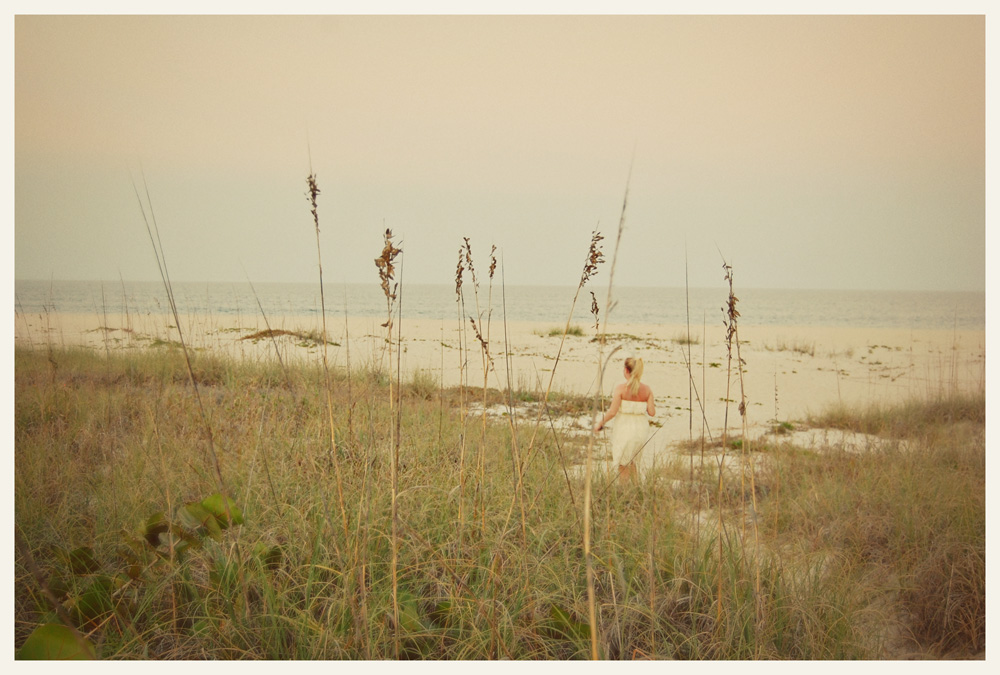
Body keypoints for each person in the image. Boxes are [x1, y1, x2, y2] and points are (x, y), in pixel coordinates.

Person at [593, 357, 655, 481]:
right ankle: (636, 490)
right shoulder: (647, 389)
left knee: (622, 462)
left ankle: (625, 493)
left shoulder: (621, 389)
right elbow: (652, 412)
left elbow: (612, 412)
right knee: (633, 461)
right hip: (641, 429)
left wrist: (600, 423)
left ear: (626, 370)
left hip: (624, 427)